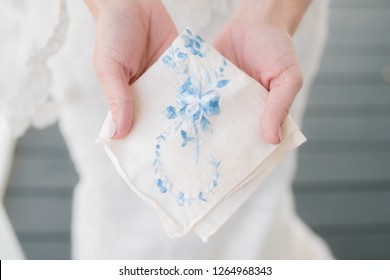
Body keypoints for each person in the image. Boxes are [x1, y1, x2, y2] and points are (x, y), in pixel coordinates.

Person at [1, 0, 333, 259]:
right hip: (111, 25)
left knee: (253, 199)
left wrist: (271, 13)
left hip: (265, 21)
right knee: (121, 208)